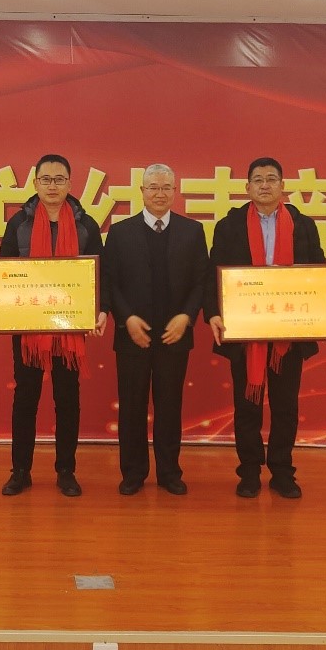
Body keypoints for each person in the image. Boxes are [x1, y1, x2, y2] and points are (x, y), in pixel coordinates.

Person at [204, 157, 326, 499]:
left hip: (288, 332)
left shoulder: (303, 225)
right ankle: (249, 472)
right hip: (245, 331)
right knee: (247, 407)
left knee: (285, 407)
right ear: (247, 187)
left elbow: (317, 270)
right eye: (258, 179)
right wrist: (212, 313)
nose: (265, 185)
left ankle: (282, 472)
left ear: (283, 186)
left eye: (271, 179)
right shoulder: (229, 226)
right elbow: (213, 272)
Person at [0, 154, 107, 497]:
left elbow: (101, 273)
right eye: (46, 179)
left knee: (67, 397)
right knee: (26, 397)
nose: (52, 186)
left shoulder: (86, 225)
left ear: (70, 183)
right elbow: (3, 269)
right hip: (29, 324)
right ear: (35, 183)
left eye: (59, 179)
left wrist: (102, 309)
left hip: (69, 325)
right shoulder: (19, 222)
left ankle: (66, 470)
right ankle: (20, 471)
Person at [101, 164, 208, 496]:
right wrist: (127, 318)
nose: (159, 193)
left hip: (175, 335)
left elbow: (201, 281)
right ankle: (133, 473)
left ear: (174, 191)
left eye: (166, 187)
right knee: (132, 407)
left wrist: (186, 317)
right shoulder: (120, 232)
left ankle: (169, 472)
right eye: (153, 187)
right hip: (132, 335)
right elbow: (109, 281)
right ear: (142, 191)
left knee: (169, 407)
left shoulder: (193, 231)